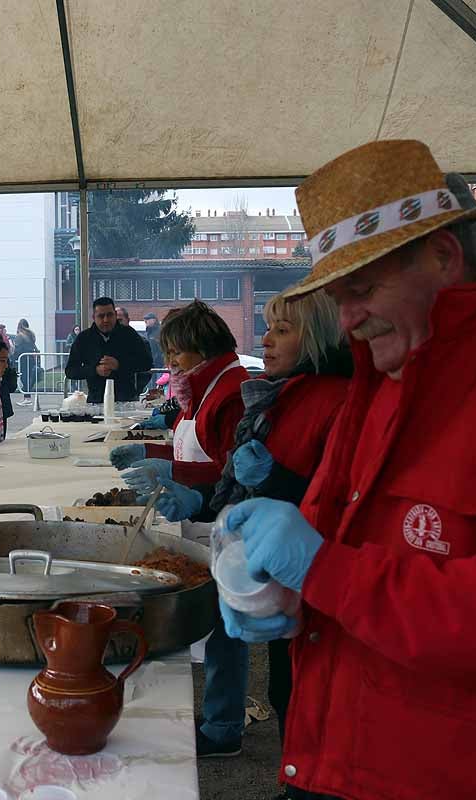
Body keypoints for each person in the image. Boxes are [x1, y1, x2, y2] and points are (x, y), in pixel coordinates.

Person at [219, 140, 476, 800]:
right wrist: (282, 590)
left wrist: (322, 570)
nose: (348, 318)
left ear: (444, 257)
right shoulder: (383, 374)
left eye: (360, 289)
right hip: (338, 755)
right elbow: (331, 546)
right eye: (337, 297)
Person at [130, 289, 353, 759]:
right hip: (261, 555)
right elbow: (237, 477)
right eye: (268, 328)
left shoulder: (333, 402)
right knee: (283, 685)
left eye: (282, 330)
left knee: (305, 692)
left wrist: (271, 480)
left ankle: (246, 737)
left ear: (317, 340)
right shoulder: (281, 391)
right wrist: (195, 491)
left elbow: (330, 492)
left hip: (305, 573)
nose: (266, 340)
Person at [110, 301, 247, 488]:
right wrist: (149, 452)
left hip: (219, 515)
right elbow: (191, 453)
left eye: (176, 353)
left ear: (204, 348)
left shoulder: (232, 397)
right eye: (167, 353)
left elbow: (234, 476)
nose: (170, 362)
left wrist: (172, 471)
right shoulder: (200, 387)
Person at [64, 297, 153, 403]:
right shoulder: (84, 338)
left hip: (126, 400)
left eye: (109, 315)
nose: (106, 320)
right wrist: (95, 370)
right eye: (101, 316)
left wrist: (119, 365)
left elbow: (146, 363)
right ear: (94, 317)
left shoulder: (129, 334)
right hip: (96, 400)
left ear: (115, 315)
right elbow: (70, 371)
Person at [13, 319, 39, 405]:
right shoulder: (31, 335)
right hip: (30, 358)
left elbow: (17, 349)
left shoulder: (20, 336)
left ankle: (27, 398)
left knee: (24, 378)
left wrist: (14, 358)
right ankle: (27, 397)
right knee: (28, 377)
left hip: (23, 358)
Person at [142, 312, 163, 387]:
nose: (145, 321)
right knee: (151, 386)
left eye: (148, 319)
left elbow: (162, 349)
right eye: (145, 319)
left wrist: (159, 359)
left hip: (160, 365)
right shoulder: (147, 333)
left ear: (154, 320)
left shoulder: (160, 332)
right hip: (150, 365)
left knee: (159, 385)